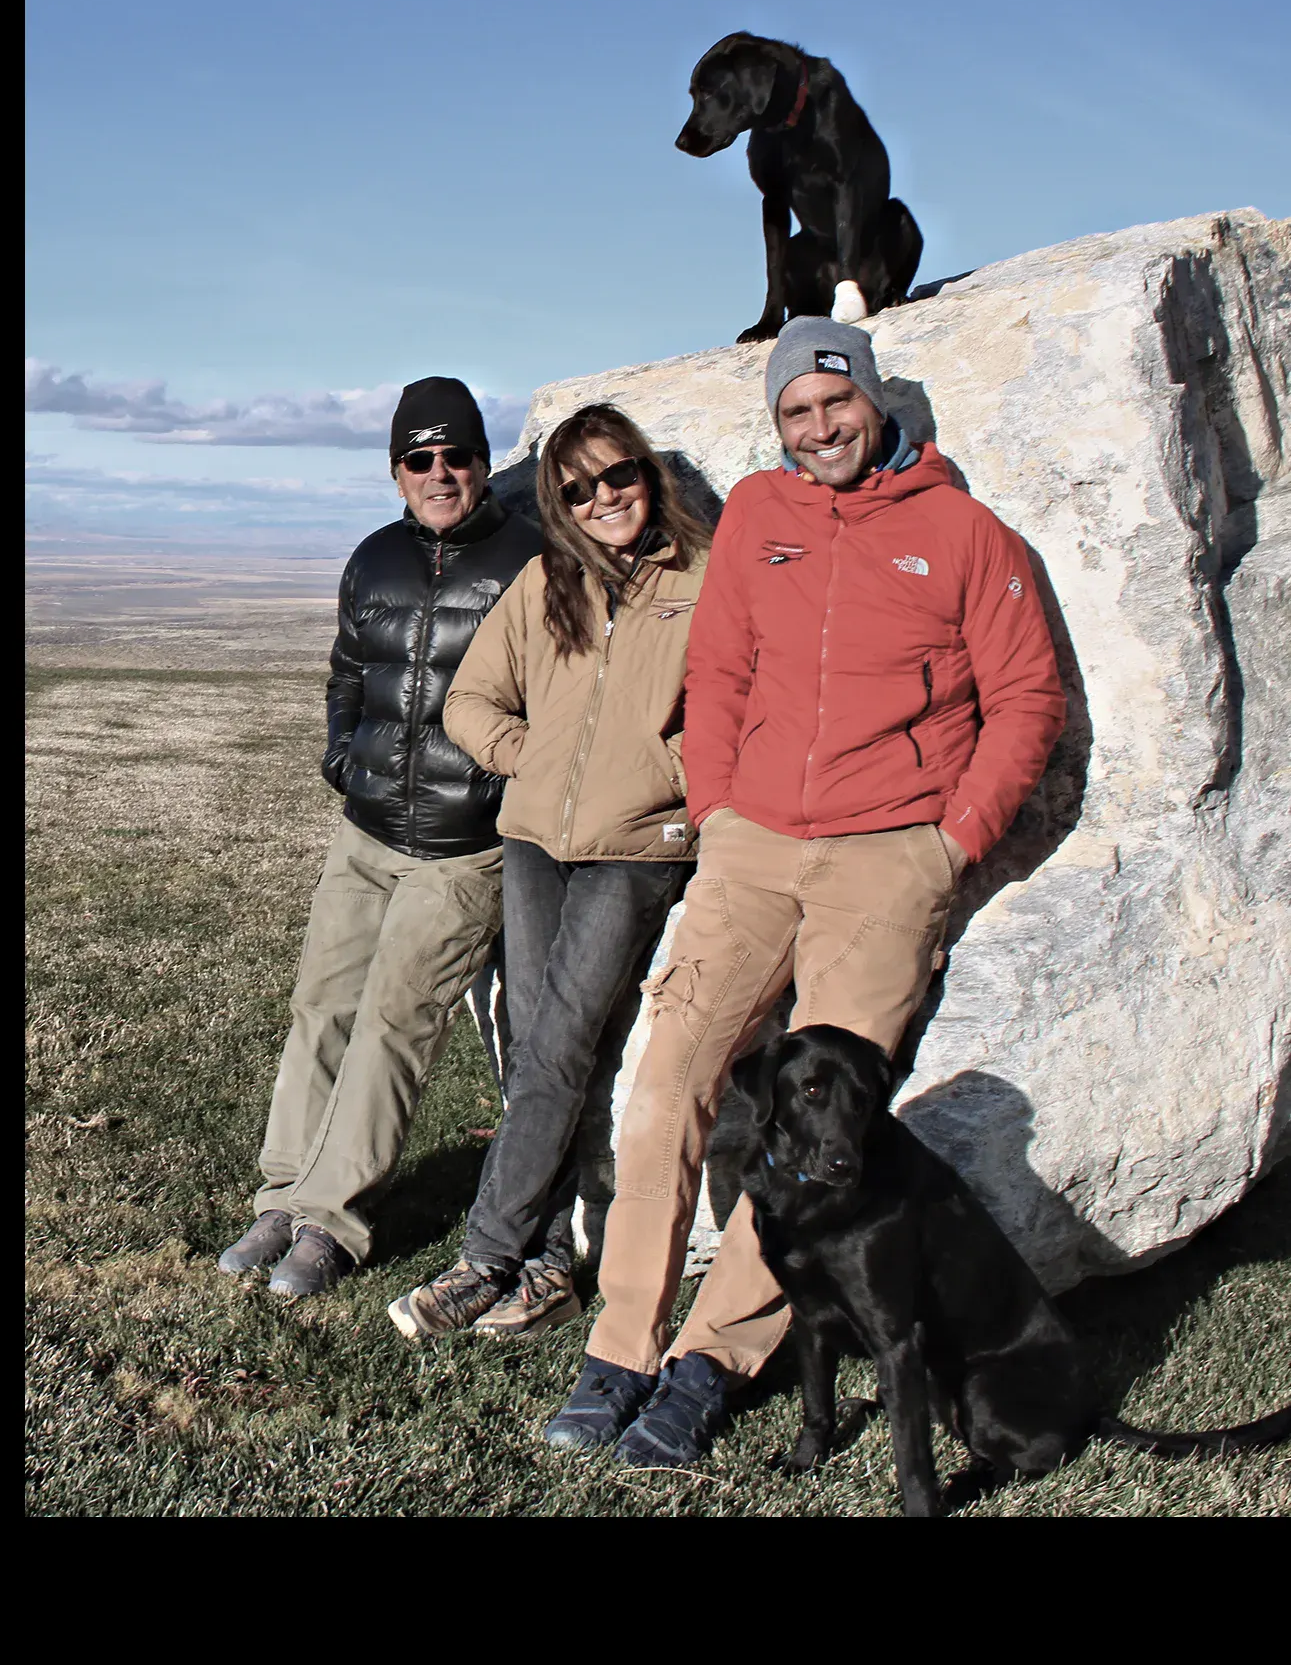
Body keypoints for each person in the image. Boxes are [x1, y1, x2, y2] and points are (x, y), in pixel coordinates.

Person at [538, 316, 1065, 1463]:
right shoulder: (763, 523)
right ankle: (620, 1347)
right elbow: (721, 669)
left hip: (890, 856)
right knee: (668, 1076)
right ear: (775, 424)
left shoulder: (965, 533)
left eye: (836, 404)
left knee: (825, 1127)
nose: (819, 427)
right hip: (753, 846)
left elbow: (1026, 699)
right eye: (796, 412)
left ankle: (706, 1366)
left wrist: (950, 842)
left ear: (872, 405)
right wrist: (722, 814)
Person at [386, 402, 711, 1343]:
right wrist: (525, 757)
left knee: (560, 1042)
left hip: (635, 850)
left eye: (618, 476)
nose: (602, 497)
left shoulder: (702, 577)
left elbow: (741, 706)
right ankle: (546, 1270)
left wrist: (669, 780)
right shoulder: (543, 582)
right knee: (543, 1048)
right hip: (534, 842)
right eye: (577, 488)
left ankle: (486, 1254)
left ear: (646, 477)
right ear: (558, 504)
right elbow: (470, 700)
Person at [219, 376, 546, 1299]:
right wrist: (340, 760)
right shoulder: (371, 560)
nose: (439, 475)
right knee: (320, 1007)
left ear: (484, 463)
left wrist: (499, 786)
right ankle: (282, 1194)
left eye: (457, 456)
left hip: (463, 845)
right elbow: (346, 673)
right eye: (419, 459)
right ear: (395, 471)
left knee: (395, 1026)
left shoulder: (529, 560)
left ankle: (333, 1222)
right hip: (364, 830)